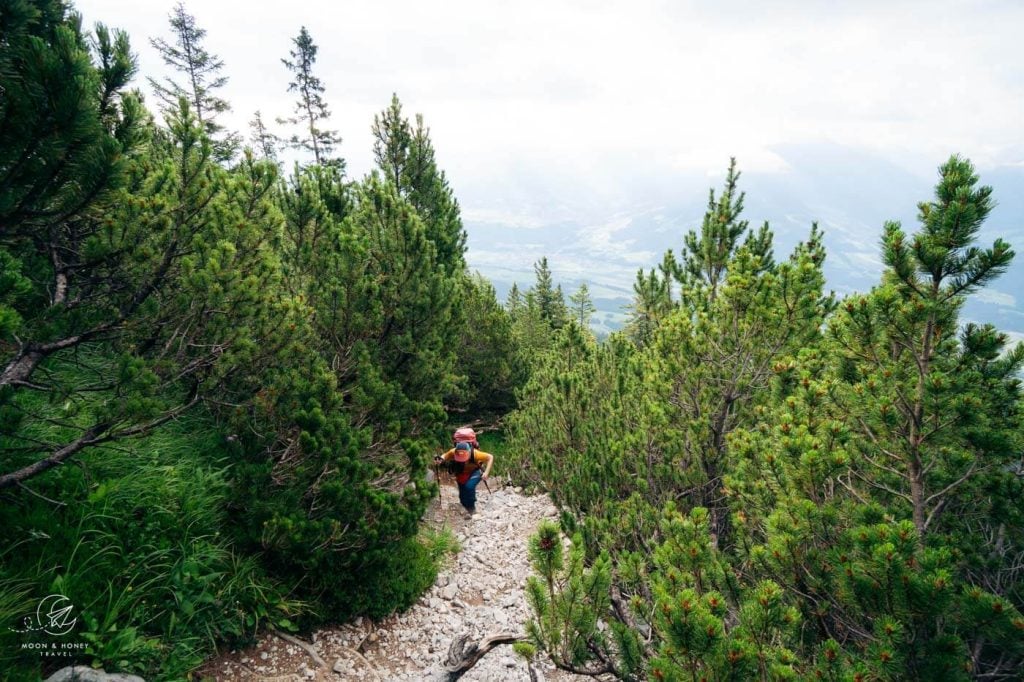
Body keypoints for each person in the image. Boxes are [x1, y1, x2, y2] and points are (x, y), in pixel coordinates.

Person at [436, 441, 493, 516]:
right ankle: (466, 508)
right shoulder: (453, 452)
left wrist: (486, 472)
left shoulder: (475, 453)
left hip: (475, 471)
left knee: (469, 487)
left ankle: (472, 509)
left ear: (468, 453)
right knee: (462, 496)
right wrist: (440, 459)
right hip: (461, 473)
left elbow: (490, 457)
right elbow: (445, 456)